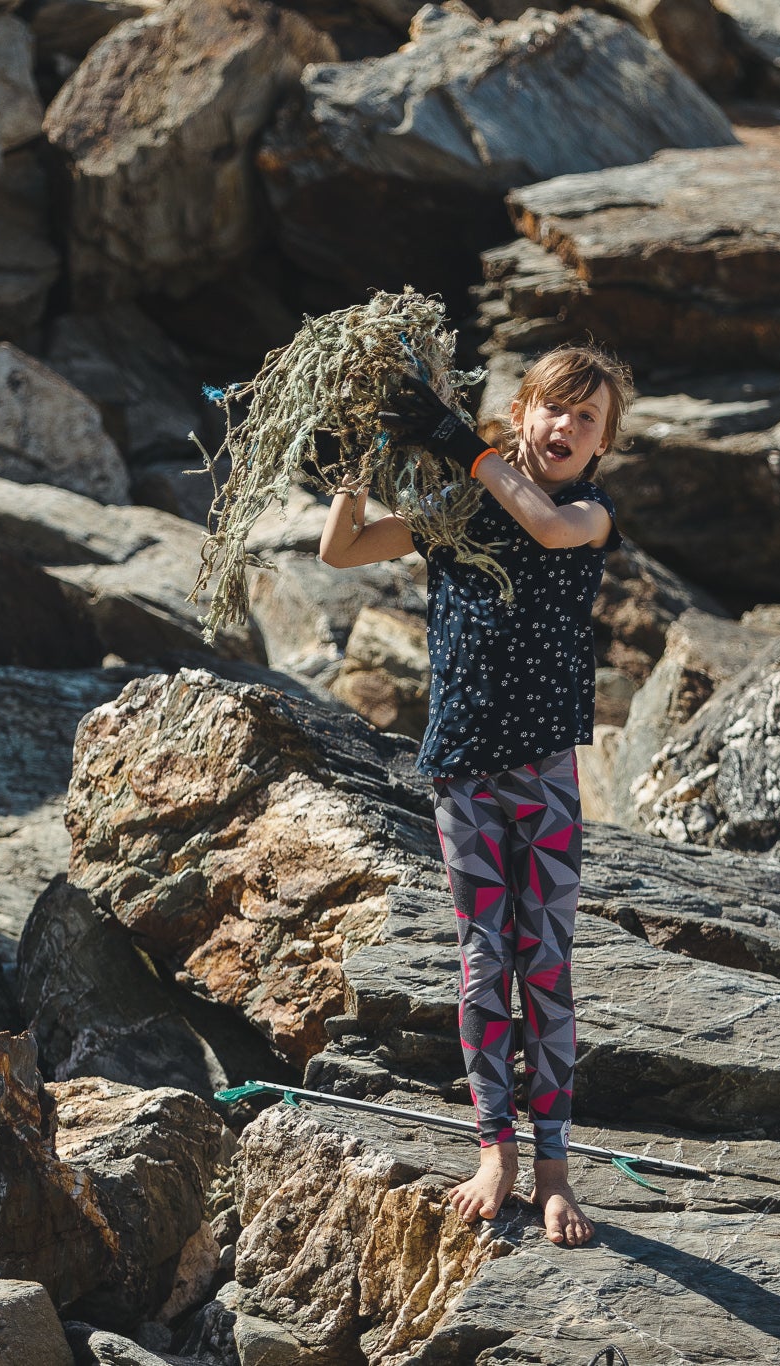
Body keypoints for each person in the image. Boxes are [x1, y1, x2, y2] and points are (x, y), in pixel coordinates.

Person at [318, 345, 630, 1248]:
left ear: (604, 443)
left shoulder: (587, 515)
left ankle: (557, 1169)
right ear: (524, 411)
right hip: (461, 765)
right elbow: (340, 550)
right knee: (486, 961)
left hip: (542, 773)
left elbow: (538, 526)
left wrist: (462, 440)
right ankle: (494, 1148)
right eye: (552, 409)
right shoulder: (457, 511)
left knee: (547, 965)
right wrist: (361, 456)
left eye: (586, 417)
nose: (565, 427)